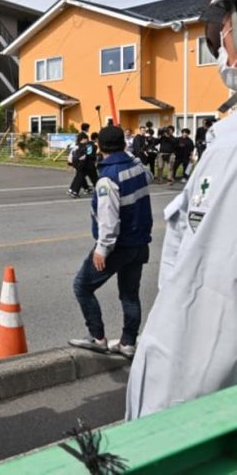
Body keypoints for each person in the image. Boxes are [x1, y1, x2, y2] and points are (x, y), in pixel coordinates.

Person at [127, 0, 237, 419]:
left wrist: (149, 439)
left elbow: (198, 336)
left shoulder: (231, 153)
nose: (218, 42)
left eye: (222, 27)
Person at [68, 126, 153, 358]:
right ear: (124, 145)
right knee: (130, 294)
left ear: (99, 147)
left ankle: (97, 337)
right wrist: (131, 156)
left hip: (118, 245)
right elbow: (149, 175)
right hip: (139, 243)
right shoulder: (136, 168)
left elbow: (109, 218)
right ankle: (128, 343)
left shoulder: (108, 179)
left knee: (82, 286)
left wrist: (102, 249)